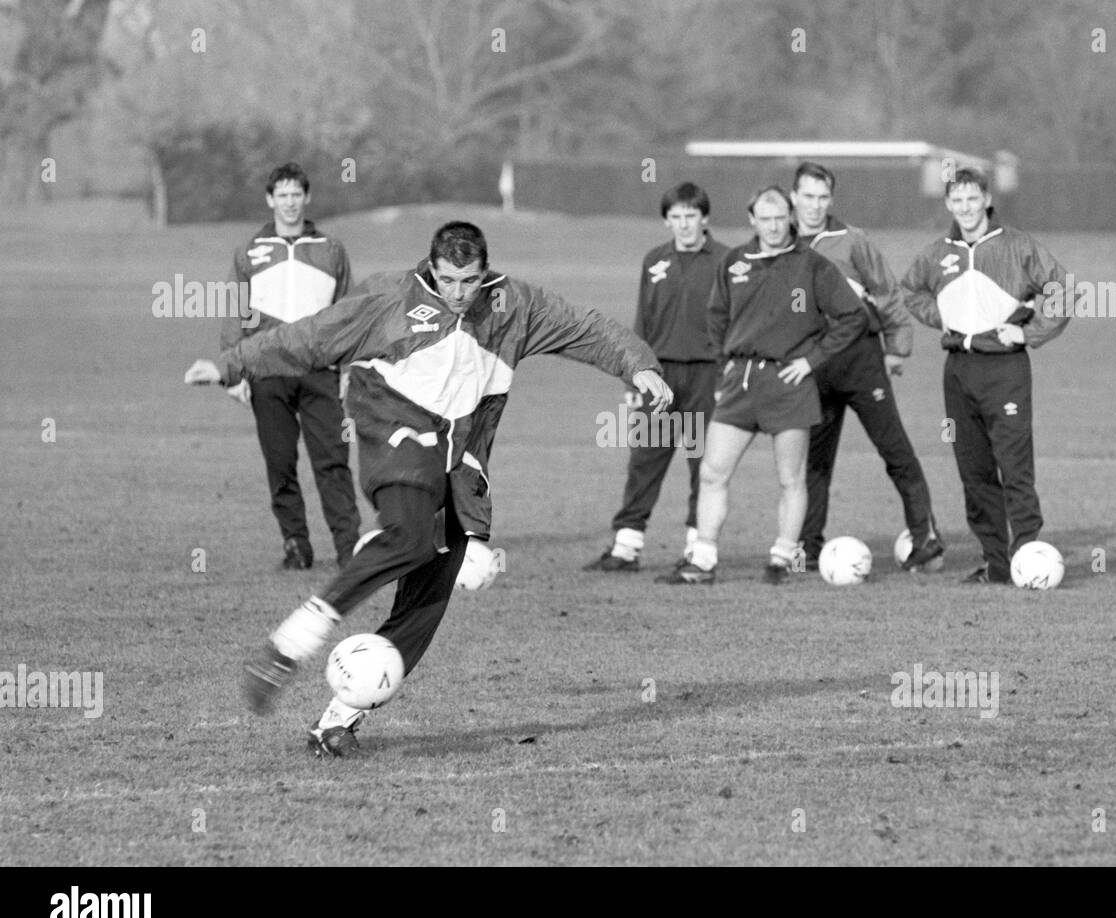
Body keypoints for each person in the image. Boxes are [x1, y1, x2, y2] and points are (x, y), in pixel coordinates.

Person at [185, 222, 672, 756]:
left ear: (484, 272)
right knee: (412, 537)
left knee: (427, 601)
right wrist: (233, 364)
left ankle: (335, 724)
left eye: (469, 280)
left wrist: (639, 365)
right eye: (448, 280)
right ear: (431, 268)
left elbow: (588, 328)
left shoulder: (515, 305)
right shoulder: (389, 297)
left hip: (459, 466)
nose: (459, 293)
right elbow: (311, 336)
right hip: (394, 428)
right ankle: (289, 643)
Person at [662, 186, 867, 585]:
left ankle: (781, 559)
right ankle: (702, 559)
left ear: (790, 217)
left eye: (780, 218)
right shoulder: (735, 261)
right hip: (740, 382)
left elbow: (853, 317)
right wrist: (724, 369)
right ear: (751, 220)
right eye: (764, 219)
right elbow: (716, 318)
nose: (773, 227)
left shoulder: (813, 265)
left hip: (788, 384)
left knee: (791, 478)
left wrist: (811, 361)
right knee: (711, 471)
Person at [900, 167, 1070, 584]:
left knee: (1014, 469)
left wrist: (1029, 332)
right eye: (957, 200)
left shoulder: (1017, 246)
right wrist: (940, 316)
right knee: (973, 472)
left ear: (987, 200)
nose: (966, 207)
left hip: (1006, 369)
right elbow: (910, 291)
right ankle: (996, 564)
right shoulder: (937, 252)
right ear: (948, 204)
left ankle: (1029, 561)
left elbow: (1062, 290)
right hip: (958, 370)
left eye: (973, 199)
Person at [789, 162, 944, 571]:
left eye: (823, 197)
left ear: (831, 200)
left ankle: (925, 537)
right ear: (793, 197)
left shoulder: (853, 240)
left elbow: (887, 291)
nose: (815, 206)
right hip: (811, 365)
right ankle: (806, 547)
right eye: (808, 196)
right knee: (814, 461)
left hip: (861, 360)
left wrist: (897, 347)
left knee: (894, 449)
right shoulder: (781, 243)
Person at [224, 162, 361, 570]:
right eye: (281, 195)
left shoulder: (331, 249)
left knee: (332, 461)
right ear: (270, 200)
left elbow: (348, 313)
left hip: (320, 370)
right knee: (280, 462)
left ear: (307, 198)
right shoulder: (249, 251)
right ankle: (296, 545)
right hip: (268, 371)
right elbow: (237, 312)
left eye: (295, 194)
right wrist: (234, 372)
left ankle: (349, 548)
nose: (289, 202)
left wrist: (350, 368)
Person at [586, 182, 728, 572]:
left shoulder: (727, 262)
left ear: (705, 218)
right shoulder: (654, 261)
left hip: (707, 375)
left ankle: (698, 551)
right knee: (645, 460)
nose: (684, 225)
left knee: (703, 463)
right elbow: (642, 323)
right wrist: (634, 377)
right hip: (659, 377)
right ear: (667, 220)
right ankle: (626, 548)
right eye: (676, 217)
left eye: (691, 217)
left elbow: (735, 322)